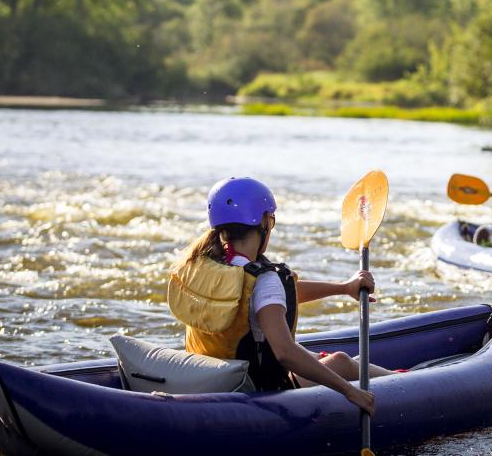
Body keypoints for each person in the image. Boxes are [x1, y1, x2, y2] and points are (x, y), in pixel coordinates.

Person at [167, 176, 389, 414]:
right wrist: (350, 392)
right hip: (256, 391)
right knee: (341, 362)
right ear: (264, 223)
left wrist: (343, 287)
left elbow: (273, 299)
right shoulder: (263, 278)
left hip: (210, 380)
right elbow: (284, 352)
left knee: (316, 356)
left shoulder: (206, 266)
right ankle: (411, 379)